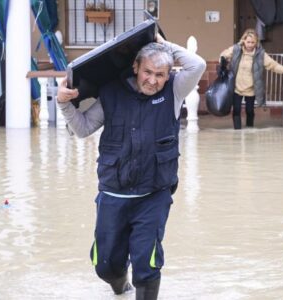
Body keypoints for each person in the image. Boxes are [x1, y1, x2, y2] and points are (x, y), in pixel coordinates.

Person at [56, 34, 206, 300]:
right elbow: (82, 129)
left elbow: (197, 65)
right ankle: (119, 286)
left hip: (153, 194)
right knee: (106, 265)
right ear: (135, 67)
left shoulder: (174, 91)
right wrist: (64, 103)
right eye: (148, 72)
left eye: (161, 74)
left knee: (146, 265)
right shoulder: (112, 93)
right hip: (113, 194)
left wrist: (163, 44)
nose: (153, 80)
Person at [220, 28, 283, 129]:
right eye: (248, 42)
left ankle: (249, 131)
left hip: (251, 88)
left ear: (256, 42)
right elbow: (223, 55)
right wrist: (223, 60)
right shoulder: (236, 49)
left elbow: (272, 65)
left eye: (252, 42)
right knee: (236, 110)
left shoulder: (260, 54)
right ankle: (237, 132)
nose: (250, 44)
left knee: (249, 111)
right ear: (243, 40)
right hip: (237, 87)